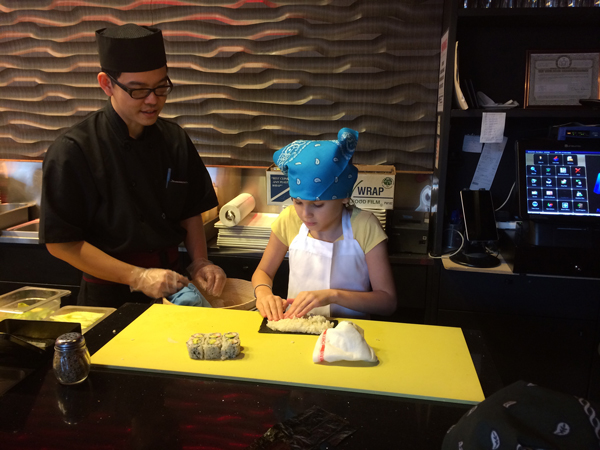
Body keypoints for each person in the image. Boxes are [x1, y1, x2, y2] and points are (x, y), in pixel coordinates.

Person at [40, 23, 226, 308]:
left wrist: (200, 261)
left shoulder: (174, 138)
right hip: (108, 295)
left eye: (161, 87)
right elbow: (61, 243)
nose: (153, 100)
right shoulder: (74, 149)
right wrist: (137, 277)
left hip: (175, 288)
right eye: (138, 91)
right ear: (106, 84)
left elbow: (189, 211)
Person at [252, 128, 397, 321]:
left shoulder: (365, 226)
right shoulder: (289, 219)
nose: (305, 214)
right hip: (299, 332)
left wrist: (331, 295)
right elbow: (263, 272)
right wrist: (263, 294)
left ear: (344, 198)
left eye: (318, 205)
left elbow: (387, 302)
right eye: (297, 202)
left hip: (351, 335)